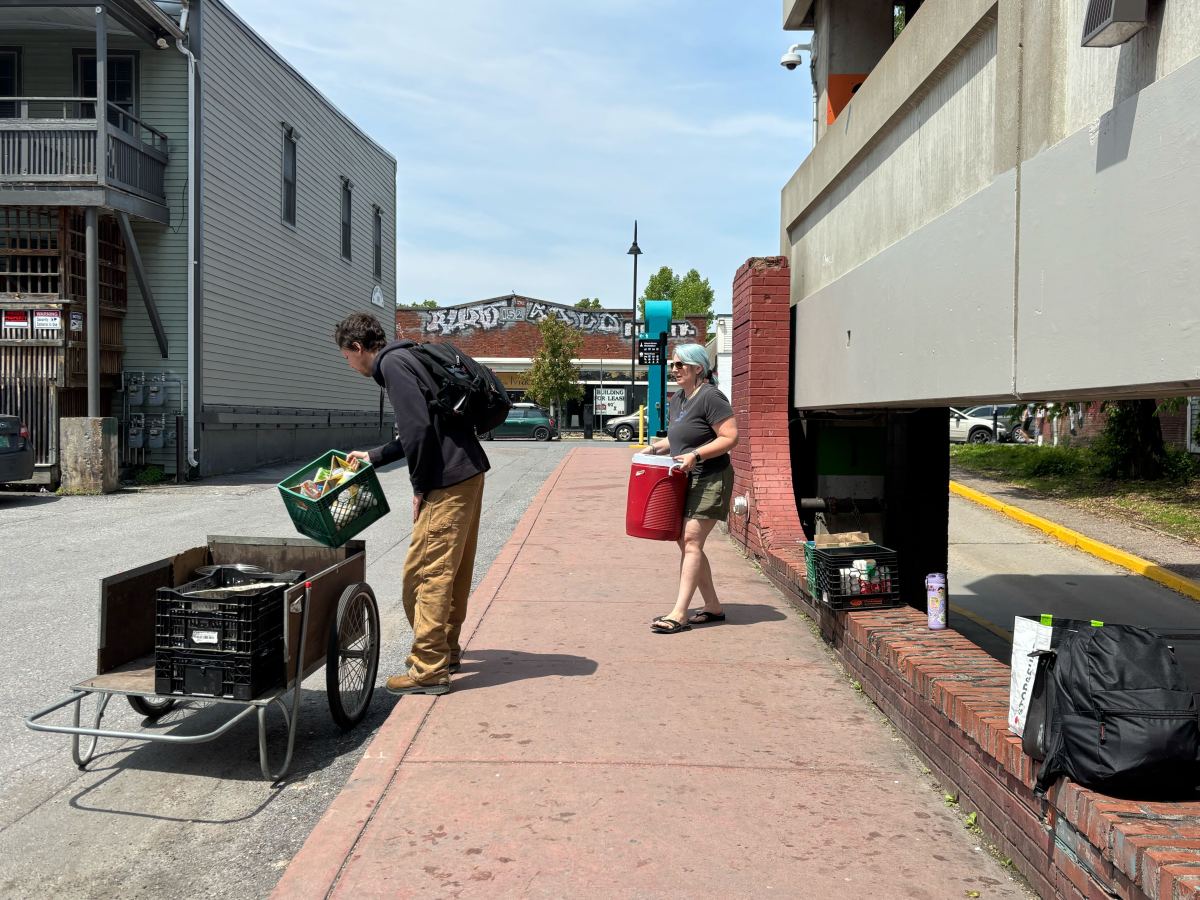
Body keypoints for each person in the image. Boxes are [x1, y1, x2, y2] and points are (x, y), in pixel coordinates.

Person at [334, 313, 489, 695]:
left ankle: (428, 668)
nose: (348, 364)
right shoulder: (411, 356)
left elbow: (417, 430)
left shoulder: (391, 365)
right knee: (451, 571)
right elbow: (422, 429)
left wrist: (419, 487)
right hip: (468, 471)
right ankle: (445, 651)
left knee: (424, 575)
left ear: (357, 347)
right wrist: (374, 457)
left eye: (346, 356)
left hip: (446, 479)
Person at [640, 343, 738, 634]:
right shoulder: (678, 399)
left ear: (698, 368)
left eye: (680, 365)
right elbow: (681, 437)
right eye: (672, 365)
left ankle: (679, 613)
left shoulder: (711, 397)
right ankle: (713, 607)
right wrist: (656, 448)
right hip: (685, 477)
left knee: (691, 540)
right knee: (686, 542)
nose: (674, 369)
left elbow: (730, 437)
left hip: (711, 476)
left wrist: (697, 455)